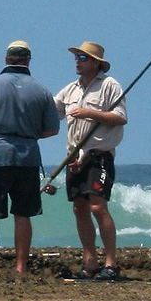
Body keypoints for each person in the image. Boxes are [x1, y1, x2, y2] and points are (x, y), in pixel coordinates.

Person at [0, 41, 59, 273]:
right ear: (28, 60)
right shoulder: (41, 90)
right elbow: (52, 129)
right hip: (27, 155)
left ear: (7, 59)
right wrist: (30, 134)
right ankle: (21, 265)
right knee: (23, 213)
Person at [46, 41, 129, 280]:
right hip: (75, 158)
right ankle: (90, 261)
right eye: (77, 57)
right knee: (79, 207)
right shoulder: (71, 89)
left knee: (97, 205)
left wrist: (90, 113)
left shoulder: (109, 85)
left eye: (83, 58)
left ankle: (111, 262)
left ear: (96, 63)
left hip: (98, 155)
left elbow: (120, 117)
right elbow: (52, 109)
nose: (77, 61)